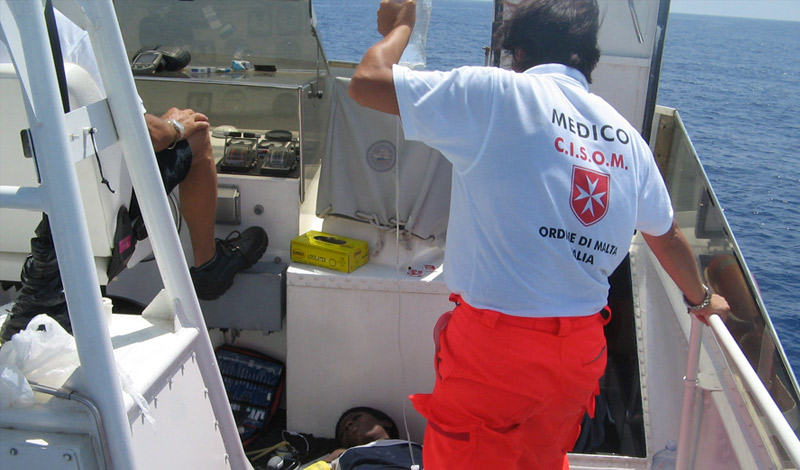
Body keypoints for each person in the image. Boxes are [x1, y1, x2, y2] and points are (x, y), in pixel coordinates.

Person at [347, 1, 731, 469]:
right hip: (581, 354)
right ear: (588, 58)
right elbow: (666, 236)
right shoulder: (628, 139)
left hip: (496, 355)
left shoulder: (497, 94)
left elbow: (367, 83)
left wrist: (400, 28)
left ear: (517, 52)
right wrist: (700, 300)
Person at [0, 7, 267, 341]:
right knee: (196, 133)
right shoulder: (54, 28)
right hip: (91, 226)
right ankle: (208, 265)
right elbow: (145, 135)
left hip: (11, 215)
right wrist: (172, 125)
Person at [311, 406, 421, 470]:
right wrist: (329, 460)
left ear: (385, 423)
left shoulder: (420, 448)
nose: (348, 424)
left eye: (356, 417)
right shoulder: (344, 457)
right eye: (343, 433)